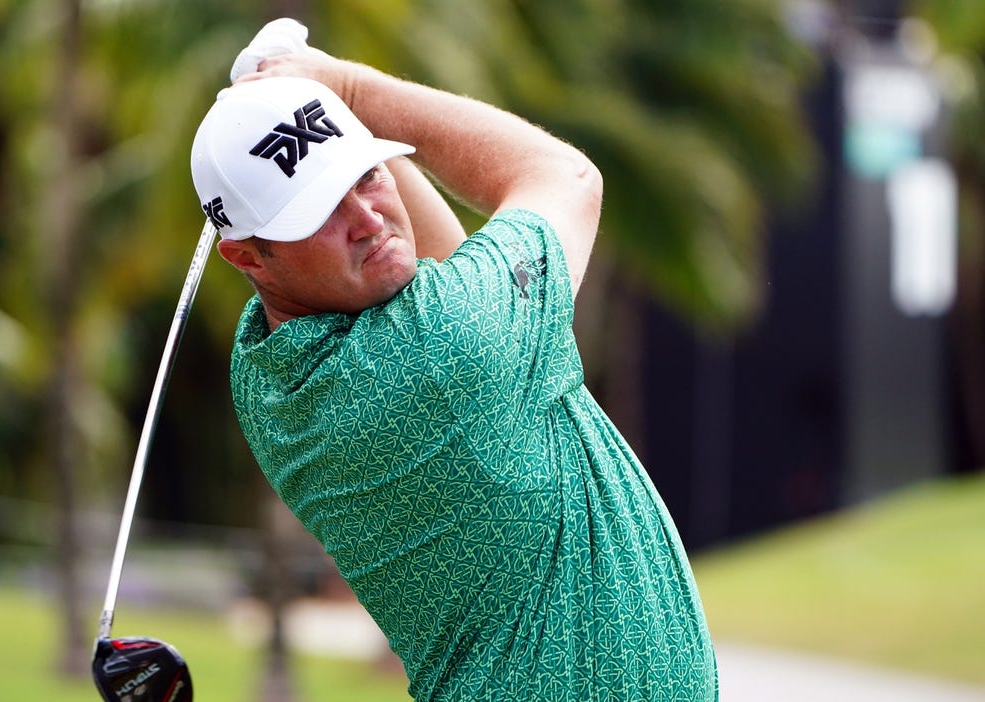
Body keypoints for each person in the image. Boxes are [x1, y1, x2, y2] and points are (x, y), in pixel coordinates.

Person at [190, 38, 718, 702]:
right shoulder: (440, 356)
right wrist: (350, 89)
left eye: (366, 174)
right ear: (247, 257)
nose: (366, 218)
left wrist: (316, 100)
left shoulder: (270, 372)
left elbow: (435, 270)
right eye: (319, 210)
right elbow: (566, 177)